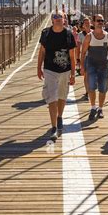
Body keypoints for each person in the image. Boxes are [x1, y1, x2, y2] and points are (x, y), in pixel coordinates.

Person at [37, 11, 76, 140]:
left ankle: (60, 117)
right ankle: (54, 127)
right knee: (52, 98)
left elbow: (72, 55)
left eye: (60, 17)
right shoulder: (46, 33)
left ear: (64, 20)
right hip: (50, 70)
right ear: (52, 20)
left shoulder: (69, 34)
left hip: (64, 70)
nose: (58, 18)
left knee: (62, 96)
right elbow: (42, 51)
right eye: (55, 16)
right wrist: (39, 68)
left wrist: (73, 74)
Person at [80, 13, 108, 121]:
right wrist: (82, 67)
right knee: (91, 87)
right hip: (91, 64)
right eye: (98, 21)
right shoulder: (89, 37)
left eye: (102, 21)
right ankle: (93, 107)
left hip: (103, 65)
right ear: (93, 23)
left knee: (103, 88)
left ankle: (100, 108)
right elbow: (83, 53)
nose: (100, 23)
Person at [78, 17, 91, 100]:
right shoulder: (80, 35)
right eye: (85, 22)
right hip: (85, 56)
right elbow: (78, 47)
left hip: (94, 57)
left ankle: (91, 89)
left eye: (88, 22)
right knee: (86, 75)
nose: (86, 24)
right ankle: (87, 92)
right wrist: (77, 59)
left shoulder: (95, 33)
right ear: (83, 25)